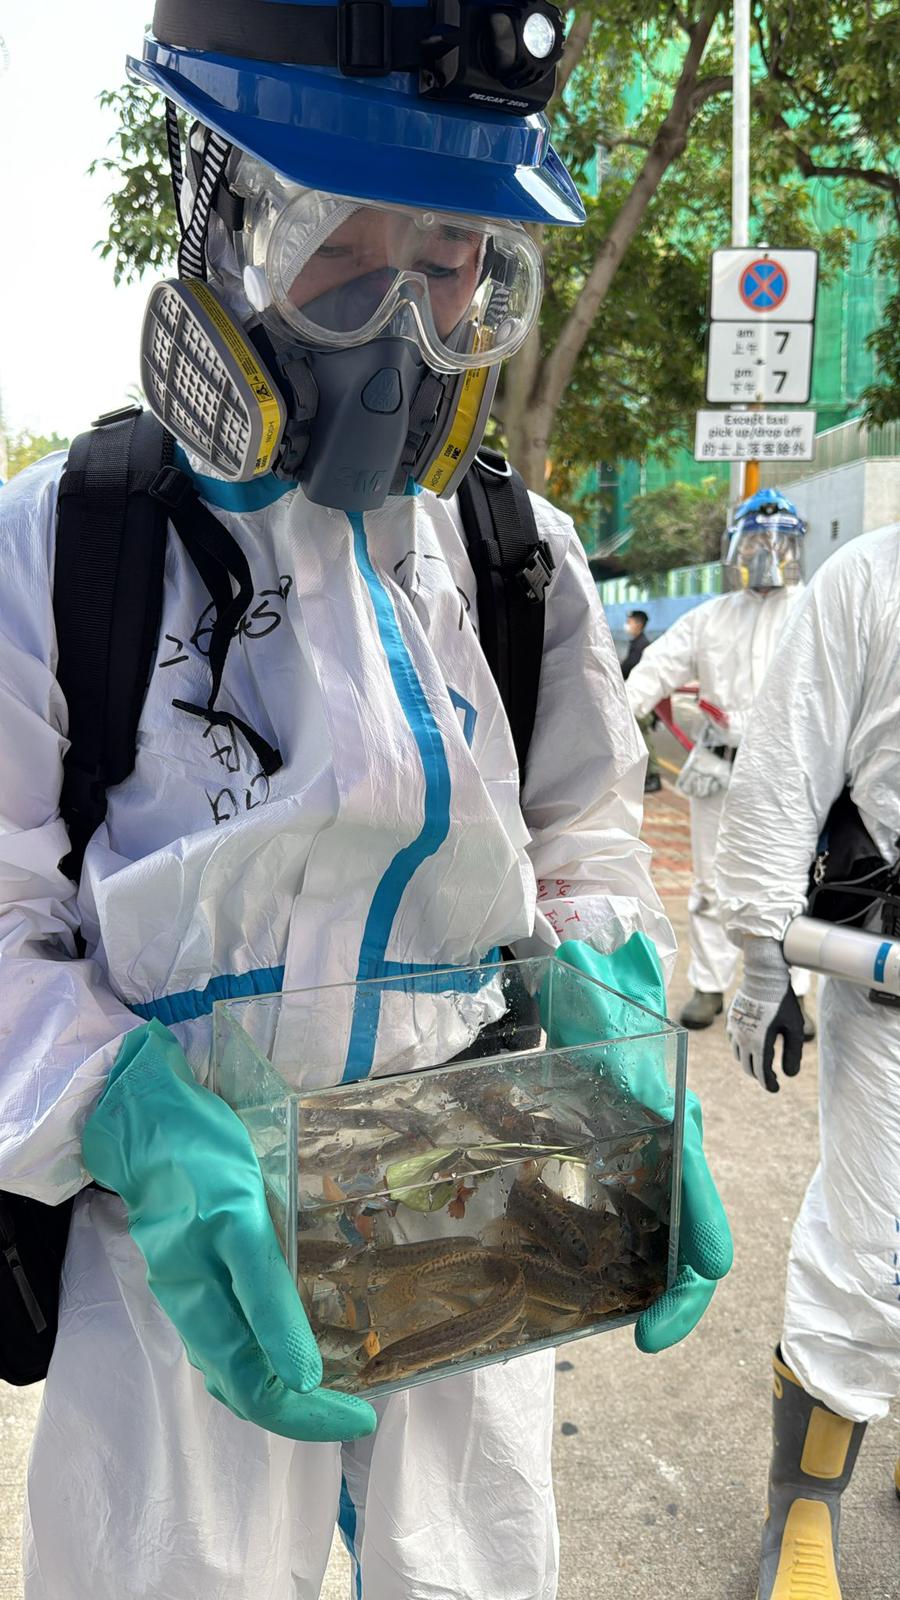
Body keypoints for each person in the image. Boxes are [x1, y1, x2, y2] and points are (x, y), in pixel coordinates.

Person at [0, 6, 732, 1599]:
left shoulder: (514, 557)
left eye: (452, 258)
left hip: (465, 1196)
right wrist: (124, 1113)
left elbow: (585, 834)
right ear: (215, 213)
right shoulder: (64, 551)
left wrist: (608, 1011)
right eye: (339, 245)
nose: (399, 324)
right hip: (174, 1253)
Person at [716, 519, 900, 1600]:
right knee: (872, 1245)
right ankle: (806, 1507)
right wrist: (760, 956)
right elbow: (786, 764)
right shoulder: (872, 579)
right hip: (891, 991)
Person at [625, 488, 815, 1031]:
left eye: (777, 543)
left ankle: (794, 991)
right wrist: (618, 716)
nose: (766, 553)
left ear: (795, 548)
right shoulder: (710, 618)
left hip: (790, 772)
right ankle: (709, 985)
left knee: (791, 883)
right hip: (718, 766)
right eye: (755, 541)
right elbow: (655, 669)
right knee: (711, 881)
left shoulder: (814, 612)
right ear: (736, 547)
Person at [621, 611, 662, 793]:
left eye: (629, 621)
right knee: (639, 737)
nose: (627, 625)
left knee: (643, 736)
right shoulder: (638, 643)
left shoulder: (641, 646)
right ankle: (647, 775)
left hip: (641, 699)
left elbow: (627, 668)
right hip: (638, 698)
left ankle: (654, 776)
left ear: (638, 624)